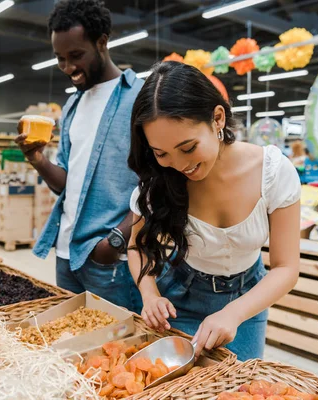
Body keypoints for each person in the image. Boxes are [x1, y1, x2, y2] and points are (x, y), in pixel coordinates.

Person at [127, 61, 301, 361]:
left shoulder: (272, 172)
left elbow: (286, 268)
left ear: (217, 119)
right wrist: (150, 294)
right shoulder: (160, 182)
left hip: (246, 303)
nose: (180, 164)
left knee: (240, 390)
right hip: (177, 301)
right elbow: (136, 246)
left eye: (188, 147)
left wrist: (233, 314)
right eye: (161, 153)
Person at [15, 0, 143, 313]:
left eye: (76, 56)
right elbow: (68, 186)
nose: (68, 68)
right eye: (60, 59)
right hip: (66, 251)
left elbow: (158, 182)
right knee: (69, 343)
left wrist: (115, 241)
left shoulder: (140, 98)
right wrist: (38, 161)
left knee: (113, 350)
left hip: (111, 260)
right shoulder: (72, 106)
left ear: (102, 42)